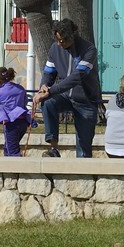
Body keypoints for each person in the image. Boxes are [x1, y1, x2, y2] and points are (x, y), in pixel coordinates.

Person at [33, 19, 101, 158]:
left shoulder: (89, 50)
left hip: (86, 100)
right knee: (48, 102)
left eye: (63, 40)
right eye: (57, 40)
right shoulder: (54, 48)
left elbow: (77, 77)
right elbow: (49, 72)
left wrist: (51, 91)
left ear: (73, 35)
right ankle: (53, 148)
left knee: (83, 150)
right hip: (65, 96)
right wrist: (43, 87)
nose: (60, 44)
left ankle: (83, 173)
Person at [0, 66, 31, 157]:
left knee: (12, 152)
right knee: (7, 148)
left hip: (11, 124)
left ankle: (17, 170)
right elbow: (25, 102)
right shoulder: (20, 88)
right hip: (23, 123)